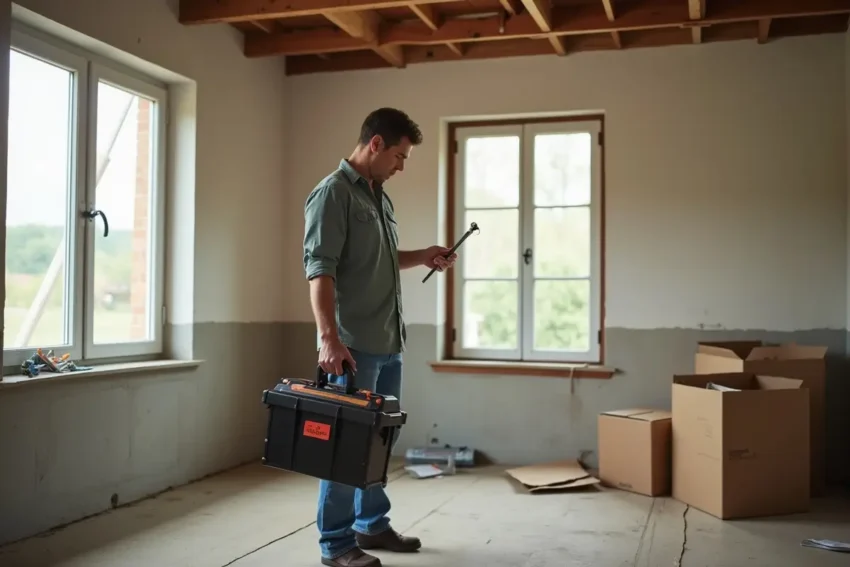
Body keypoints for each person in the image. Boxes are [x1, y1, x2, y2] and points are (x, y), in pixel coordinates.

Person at [302, 107, 458, 567]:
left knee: (377, 442)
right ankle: (336, 545)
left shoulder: (378, 196)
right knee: (343, 447)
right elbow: (320, 270)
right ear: (375, 145)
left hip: (390, 342)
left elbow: (384, 259)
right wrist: (328, 338)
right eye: (399, 155)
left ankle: (371, 525)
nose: (401, 166)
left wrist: (424, 256)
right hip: (352, 348)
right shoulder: (331, 195)